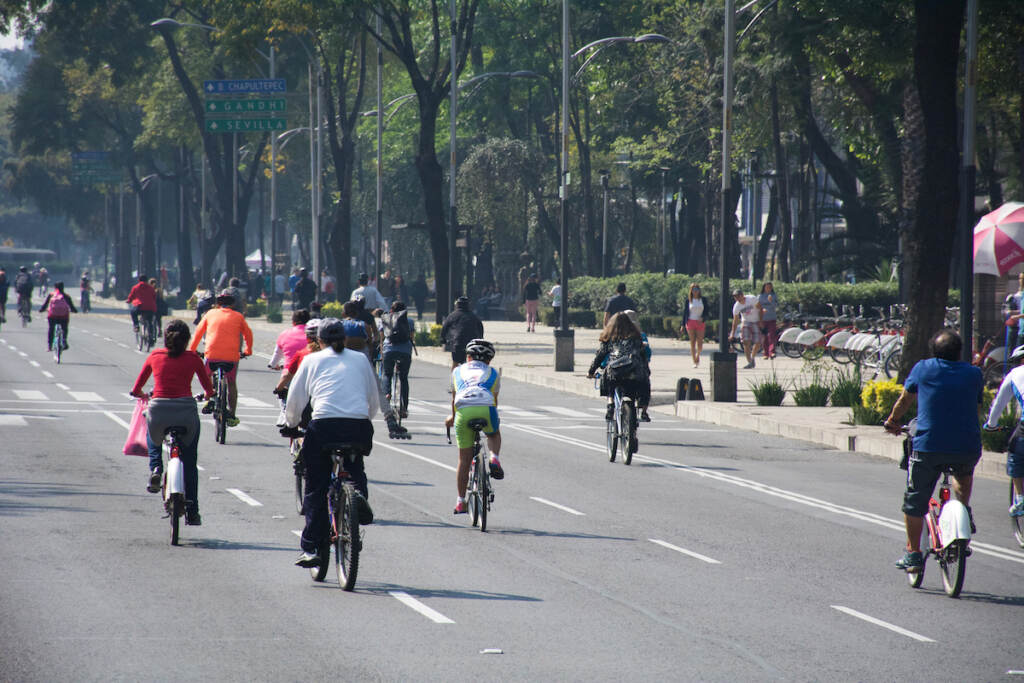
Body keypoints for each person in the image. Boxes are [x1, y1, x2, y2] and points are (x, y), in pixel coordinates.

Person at [884, 330, 983, 573]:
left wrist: (893, 421)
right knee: (963, 477)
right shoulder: (974, 373)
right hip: (967, 446)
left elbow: (905, 400)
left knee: (915, 501)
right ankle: (964, 511)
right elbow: (977, 405)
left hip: (929, 446)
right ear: (959, 353)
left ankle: (914, 554)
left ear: (934, 351)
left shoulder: (923, 368)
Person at [284, 318, 378, 568]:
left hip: (324, 425)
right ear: (345, 339)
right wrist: (363, 418)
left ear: (319, 341)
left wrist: (291, 424)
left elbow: (295, 399)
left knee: (316, 485)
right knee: (355, 467)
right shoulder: (360, 359)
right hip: (358, 426)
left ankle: (312, 546)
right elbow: (373, 398)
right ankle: (358, 495)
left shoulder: (311, 360)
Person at [130, 319, 214, 525]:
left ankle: (156, 467)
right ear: (187, 340)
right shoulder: (193, 358)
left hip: (159, 411)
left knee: (153, 436)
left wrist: (141, 394)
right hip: (186, 412)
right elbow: (209, 389)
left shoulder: (155, 356)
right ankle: (193, 510)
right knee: (190, 462)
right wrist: (205, 396)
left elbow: (137, 387)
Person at [444, 339, 504, 515]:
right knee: (493, 434)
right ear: (489, 360)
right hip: (486, 407)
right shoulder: (493, 372)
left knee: (464, 459)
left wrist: (452, 419)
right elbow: (494, 401)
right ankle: (494, 458)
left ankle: (461, 501)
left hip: (464, 411)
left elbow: (454, 401)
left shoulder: (457, 371)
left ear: (468, 357)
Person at [188, 290, 254, 427]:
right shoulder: (238, 316)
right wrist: (248, 351)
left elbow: (198, 333)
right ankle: (232, 414)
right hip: (231, 357)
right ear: (233, 304)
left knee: (207, 376)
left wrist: (192, 350)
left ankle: (209, 397)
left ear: (218, 304)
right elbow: (248, 334)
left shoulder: (210, 314)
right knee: (231, 384)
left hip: (211, 354)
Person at [587, 311, 652, 423]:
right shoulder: (637, 338)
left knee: (609, 382)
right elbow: (643, 358)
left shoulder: (609, 338)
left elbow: (600, 355)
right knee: (644, 383)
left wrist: (591, 371)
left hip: (615, 372)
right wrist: (646, 372)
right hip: (634, 372)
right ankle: (644, 411)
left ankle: (610, 404)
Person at [983, 344, 1024, 518]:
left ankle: (1021, 498)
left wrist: (991, 424)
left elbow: (999, 403)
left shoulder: (1015, 374)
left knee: (1015, 452)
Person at [381, 301, 414, 418]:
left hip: (389, 351)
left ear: (391, 310)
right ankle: (404, 408)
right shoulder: (409, 321)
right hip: (405, 352)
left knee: (387, 374)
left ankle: (387, 394)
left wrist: (382, 351)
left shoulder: (386, 319)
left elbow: (382, 337)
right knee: (404, 378)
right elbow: (411, 338)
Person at [441, 296, 484, 367]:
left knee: (455, 362)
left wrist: (443, 339)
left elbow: (445, 328)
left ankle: (454, 377)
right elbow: (480, 327)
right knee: (470, 362)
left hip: (456, 343)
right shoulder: (473, 316)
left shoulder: (452, 315)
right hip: (471, 344)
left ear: (457, 305)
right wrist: (481, 339)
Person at [729, 288, 763, 369]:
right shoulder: (737, 306)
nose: (737, 298)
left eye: (738, 296)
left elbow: (760, 309)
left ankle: (753, 356)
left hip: (755, 320)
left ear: (742, 295)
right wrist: (732, 334)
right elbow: (735, 320)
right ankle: (750, 362)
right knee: (745, 342)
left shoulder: (752, 299)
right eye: (735, 297)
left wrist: (760, 321)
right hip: (746, 321)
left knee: (758, 342)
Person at [38, 281, 77, 351]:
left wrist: (41, 310)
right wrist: (74, 311)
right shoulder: (66, 296)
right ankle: (64, 340)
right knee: (64, 328)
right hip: (63, 316)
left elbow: (45, 304)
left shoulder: (51, 295)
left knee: (51, 329)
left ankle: (49, 346)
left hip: (52, 316)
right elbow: (72, 306)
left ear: (55, 287)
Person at [681, 282, 710, 368]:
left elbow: (707, 311)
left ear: (699, 290)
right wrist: (683, 325)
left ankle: (698, 356)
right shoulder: (688, 300)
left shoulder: (703, 300)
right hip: (690, 322)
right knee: (692, 342)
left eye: (697, 289)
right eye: (693, 289)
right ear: (691, 291)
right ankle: (694, 361)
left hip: (700, 322)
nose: (695, 291)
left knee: (700, 344)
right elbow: (685, 313)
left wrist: (703, 318)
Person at [758, 281, 779, 359]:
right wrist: (761, 310)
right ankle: (765, 353)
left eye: (770, 287)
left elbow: (776, 306)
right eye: (767, 287)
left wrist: (771, 301)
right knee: (764, 337)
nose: (768, 288)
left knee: (771, 335)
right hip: (763, 319)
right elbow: (757, 306)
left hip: (772, 318)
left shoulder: (774, 296)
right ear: (764, 287)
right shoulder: (760, 296)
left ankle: (772, 352)